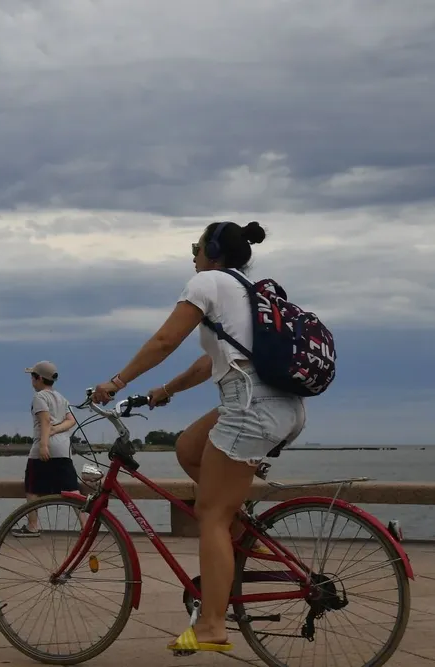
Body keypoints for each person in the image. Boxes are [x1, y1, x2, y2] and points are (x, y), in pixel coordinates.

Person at [90, 221, 306, 655]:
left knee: (210, 513)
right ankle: (240, 538)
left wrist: (115, 382)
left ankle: (211, 625)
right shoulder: (250, 292)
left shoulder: (206, 282)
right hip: (275, 404)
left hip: (251, 407)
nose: (192, 255)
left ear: (210, 250)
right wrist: (162, 392)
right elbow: (208, 363)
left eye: (195, 247)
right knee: (189, 447)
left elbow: (166, 339)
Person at [12, 360, 79, 537]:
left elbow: (45, 421)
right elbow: (71, 420)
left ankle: (33, 526)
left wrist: (43, 444)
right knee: (72, 489)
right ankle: (86, 526)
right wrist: (57, 430)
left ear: (39, 378)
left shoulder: (40, 397)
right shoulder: (61, 398)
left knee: (32, 488)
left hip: (44, 447)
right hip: (64, 449)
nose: (31, 381)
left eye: (33, 377)